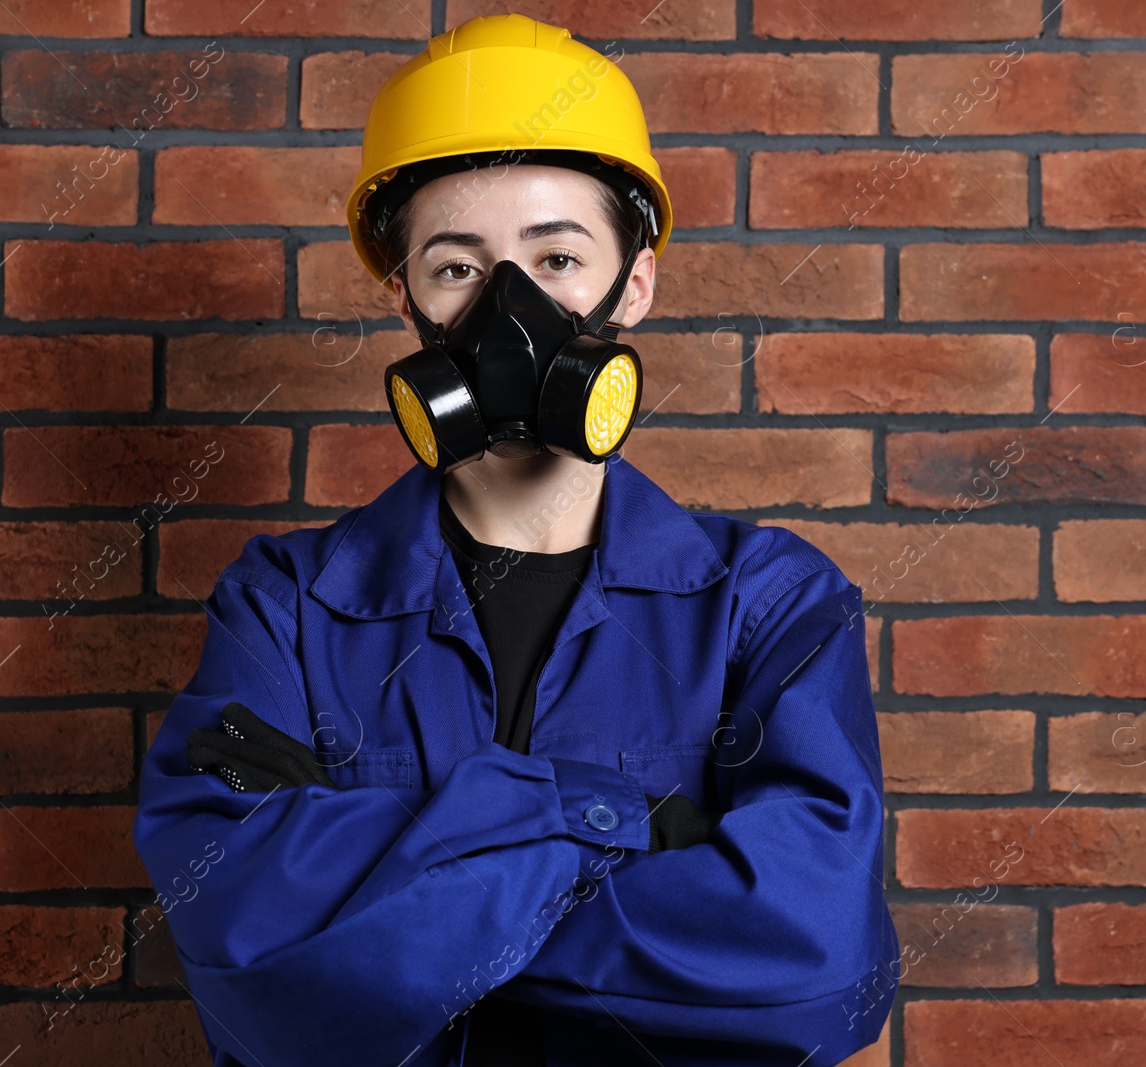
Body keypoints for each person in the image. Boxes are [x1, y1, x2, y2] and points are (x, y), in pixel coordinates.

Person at [132, 13, 899, 1067]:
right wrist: (634, 825)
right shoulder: (285, 604)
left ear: (634, 284)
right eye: (457, 268)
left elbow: (813, 965)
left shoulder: (767, 603)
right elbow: (243, 944)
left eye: (556, 257)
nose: (509, 309)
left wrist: (397, 893)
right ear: (401, 294)